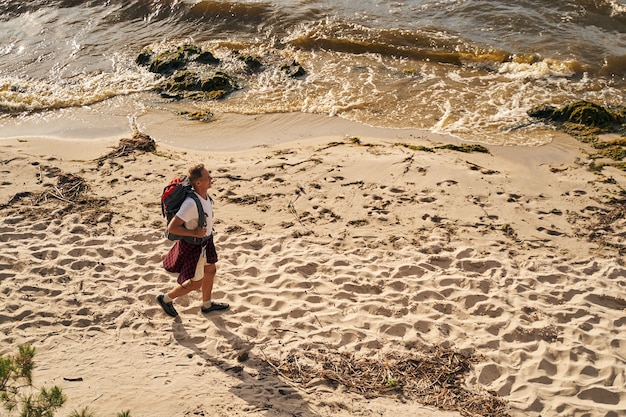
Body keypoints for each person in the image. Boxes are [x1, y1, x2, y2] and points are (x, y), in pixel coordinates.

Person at [156, 164, 229, 318]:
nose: (211, 179)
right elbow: (172, 228)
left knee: (211, 270)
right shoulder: (190, 204)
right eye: (207, 177)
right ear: (198, 183)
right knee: (195, 283)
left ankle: (207, 305)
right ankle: (165, 299)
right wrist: (194, 232)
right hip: (195, 246)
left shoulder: (206, 197)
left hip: (207, 242)